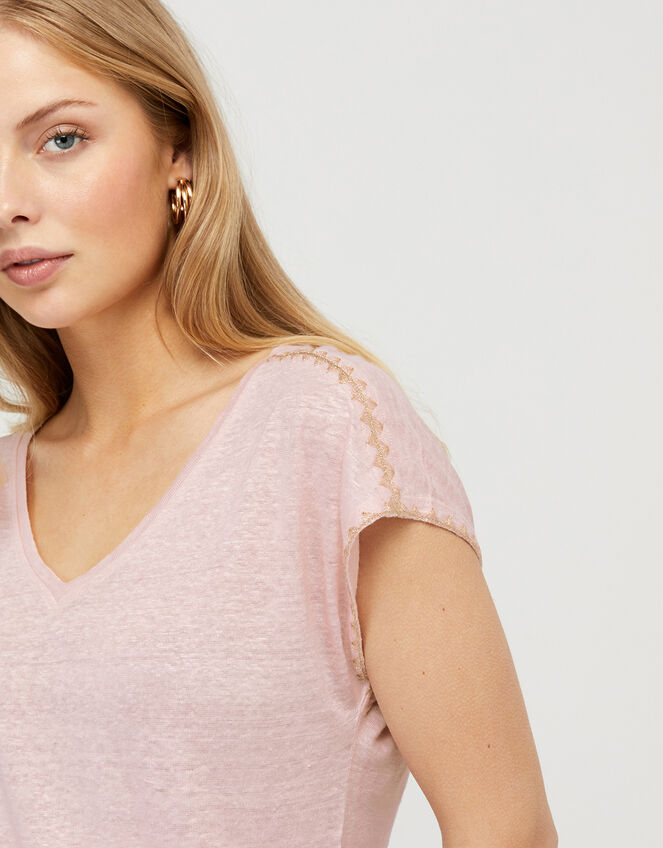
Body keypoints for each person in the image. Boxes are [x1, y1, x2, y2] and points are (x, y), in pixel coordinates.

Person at [0, 2, 558, 847]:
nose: (8, 201)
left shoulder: (329, 432)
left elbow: (504, 828)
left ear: (178, 151)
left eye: (61, 139)